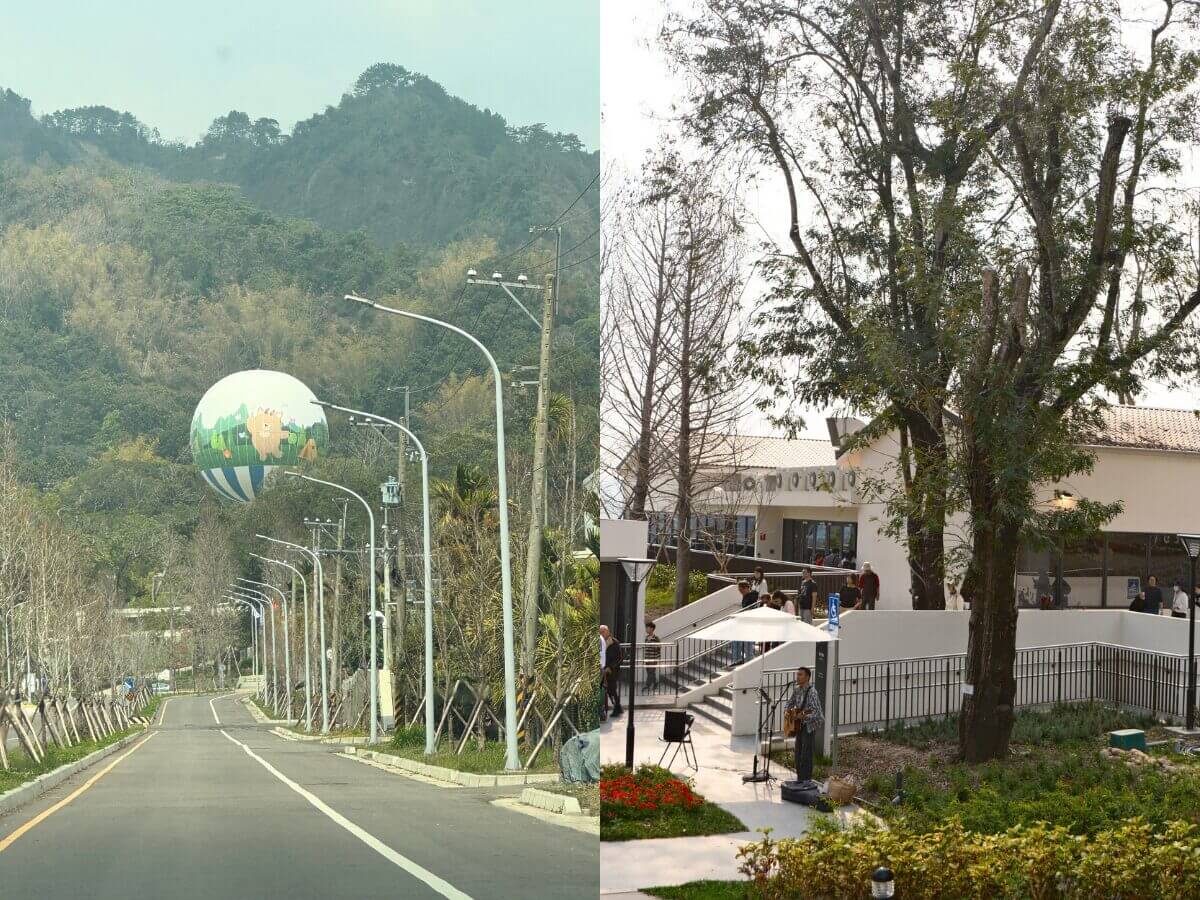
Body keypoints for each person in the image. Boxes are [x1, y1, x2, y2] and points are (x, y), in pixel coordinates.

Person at [785, 666, 824, 784]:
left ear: (807, 677)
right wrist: (787, 711)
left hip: (809, 725)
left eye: (800, 675)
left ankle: (806, 780)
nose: (797, 677)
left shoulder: (812, 692)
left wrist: (804, 716)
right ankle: (799, 778)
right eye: (797, 674)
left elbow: (817, 713)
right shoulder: (797, 689)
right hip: (799, 725)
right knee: (798, 753)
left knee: (806, 754)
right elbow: (789, 703)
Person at [733, 580, 759, 663]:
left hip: (750, 624)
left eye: (741, 590)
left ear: (746, 588)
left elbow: (750, 608)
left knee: (748, 645)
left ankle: (749, 661)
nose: (741, 592)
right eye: (739, 590)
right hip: (744, 623)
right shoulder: (745, 596)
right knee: (738, 642)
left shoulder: (752, 596)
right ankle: (737, 660)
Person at [604, 631, 623, 717]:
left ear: (608, 632)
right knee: (609, 690)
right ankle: (618, 707)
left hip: (612, 671)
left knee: (612, 689)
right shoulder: (601, 642)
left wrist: (610, 667)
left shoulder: (614, 643)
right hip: (604, 670)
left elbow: (619, 658)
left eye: (603, 631)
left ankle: (617, 708)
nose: (602, 633)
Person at [644, 621, 661, 691]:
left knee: (651, 672)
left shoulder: (656, 638)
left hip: (653, 659)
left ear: (651, 629)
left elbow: (659, 647)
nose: (646, 629)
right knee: (650, 673)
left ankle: (647, 685)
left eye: (647, 628)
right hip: (647, 658)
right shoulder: (646, 637)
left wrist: (654, 646)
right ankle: (655, 683)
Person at [599, 626, 609, 721]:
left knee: (600, 689)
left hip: (600, 668)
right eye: (607, 631)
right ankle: (602, 713)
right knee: (601, 689)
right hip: (601, 667)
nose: (608, 633)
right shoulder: (601, 639)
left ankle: (602, 712)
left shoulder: (600, 639)